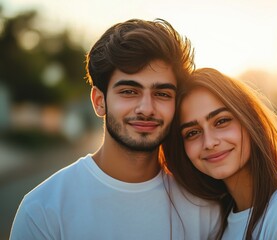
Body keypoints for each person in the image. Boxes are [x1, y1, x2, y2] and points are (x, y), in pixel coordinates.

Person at [10, 19, 220, 240]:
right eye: (129, 91)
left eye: (162, 94)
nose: (146, 109)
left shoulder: (204, 209)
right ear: (99, 101)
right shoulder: (42, 210)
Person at [163, 68, 277, 240]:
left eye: (222, 121)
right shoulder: (218, 224)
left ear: (249, 121)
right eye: (192, 133)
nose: (209, 142)